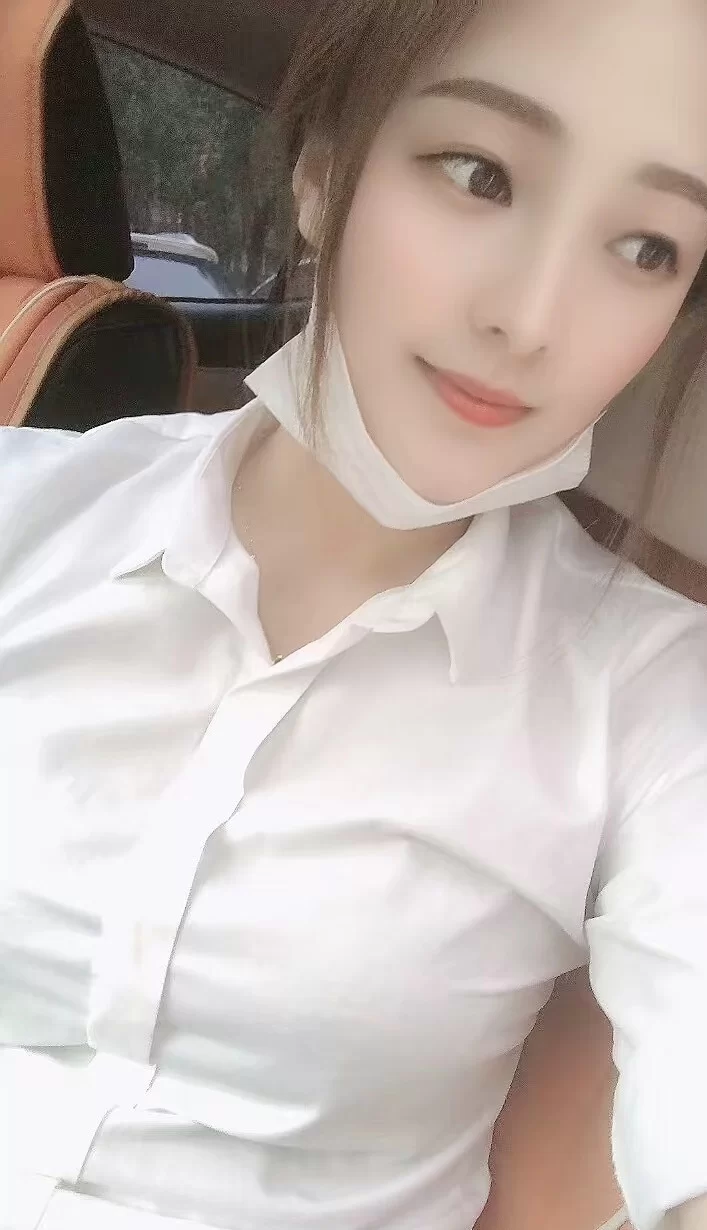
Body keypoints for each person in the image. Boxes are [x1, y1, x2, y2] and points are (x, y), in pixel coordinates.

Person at [1, 1, 707, 1228]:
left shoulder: (651, 699)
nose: (528, 318)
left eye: (646, 247)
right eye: (478, 174)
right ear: (322, 172)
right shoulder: (27, 507)